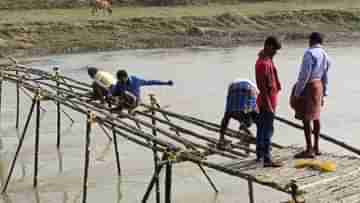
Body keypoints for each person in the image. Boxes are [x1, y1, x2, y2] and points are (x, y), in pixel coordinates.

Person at [291, 32, 331, 159]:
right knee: (316, 116)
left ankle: (309, 149)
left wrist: (297, 93)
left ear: (311, 41)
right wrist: (324, 93)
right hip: (319, 85)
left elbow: (304, 75)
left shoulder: (309, 53)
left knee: (306, 118)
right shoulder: (325, 55)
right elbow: (325, 76)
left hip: (309, 86)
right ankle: (316, 147)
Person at [255, 36, 282, 167]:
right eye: (274, 50)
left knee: (262, 128)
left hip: (269, 100)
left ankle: (260, 155)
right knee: (267, 130)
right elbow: (262, 88)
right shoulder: (262, 64)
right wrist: (269, 105)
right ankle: (267, 158)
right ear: (268, 46)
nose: (275, 53)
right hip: (266, 102)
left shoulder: (267, 59)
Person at [217, 79, 259, 150]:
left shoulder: (233, 113)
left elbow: (225, 119)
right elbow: (260, 123)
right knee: (246, 112)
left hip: (233, 86)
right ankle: (244, 126)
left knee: (233, 111)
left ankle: (221, 138)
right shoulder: (253, 113)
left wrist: (221, 136)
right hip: (250, 88)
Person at [109, 70, 173, 111]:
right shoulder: (119, 83)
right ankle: (119, 107)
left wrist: (166, 83)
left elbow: (150, 82)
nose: (121, 82)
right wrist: (109, 94)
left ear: (126, 77)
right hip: (125, 103)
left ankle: (122, 107)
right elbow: (113, 91)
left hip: (135, 102)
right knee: (113, 88)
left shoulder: (135, 80)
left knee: (125, 93)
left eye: (122, 80)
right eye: (120, 80)